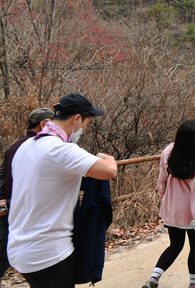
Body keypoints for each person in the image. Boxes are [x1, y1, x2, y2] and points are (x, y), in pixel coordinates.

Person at [7, 94, 117, 288]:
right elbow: (109, 171)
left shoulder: (24, 147)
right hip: (49, 255)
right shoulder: (62, 150)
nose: (83, 129)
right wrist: (105, 156)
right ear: (76, 119)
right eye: (86, 122)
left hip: (19, 248)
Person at [143, 120, 195, 288]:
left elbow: (161, 180)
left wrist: (166, 199)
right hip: (191, 213)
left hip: (172, 210)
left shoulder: (168, 151)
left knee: (175, 245)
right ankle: (194, 284)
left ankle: (153, 279)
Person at [0, 108, 55, 277]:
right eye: (52, 122)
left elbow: (2, 175)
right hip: (25, 211)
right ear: (43, 124)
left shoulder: (14, 147)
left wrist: (2, 200)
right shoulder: (37, 147)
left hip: (11, 208)